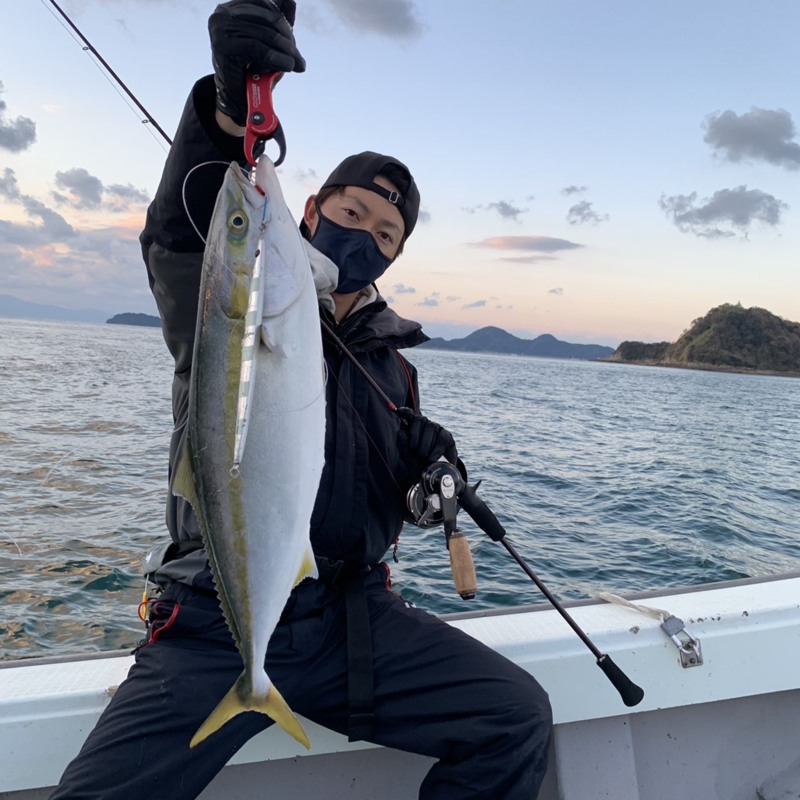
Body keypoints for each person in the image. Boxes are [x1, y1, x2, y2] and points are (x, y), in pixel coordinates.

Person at [49, 2, 552, 798]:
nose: (362, 233)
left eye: (384, 233)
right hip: (214, 623)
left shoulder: (395, 369)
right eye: (351, 212)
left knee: (516, 716)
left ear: (391, 257)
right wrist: (226, 110)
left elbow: (394, 493)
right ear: (310, 209)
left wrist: (432, 479)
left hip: (348, 624)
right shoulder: (233, 308)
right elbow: (183, 242)